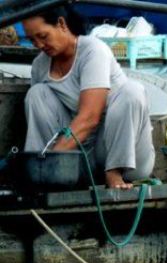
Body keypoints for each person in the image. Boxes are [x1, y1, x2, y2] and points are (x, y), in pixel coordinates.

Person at [22, 6, 155, 189]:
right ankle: (45, 176)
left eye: (43, 36)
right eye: (32, 40)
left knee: (132, 91)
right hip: (80, 161)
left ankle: (114, 172)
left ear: (61, 23)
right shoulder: (39, 65)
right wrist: (46, 162)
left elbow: (90, 117)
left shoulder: (93, 50)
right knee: (36, 94)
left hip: (125, 157)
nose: (39, 45)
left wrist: (51, 158)